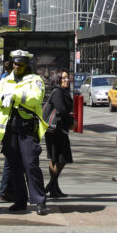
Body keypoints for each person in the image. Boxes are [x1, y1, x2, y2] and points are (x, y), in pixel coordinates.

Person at [0, 49, 48, 215]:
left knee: (30, 164)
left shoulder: (35, 80)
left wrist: (13, 95)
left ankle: (39, 201)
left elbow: (35, 98)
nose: (17, 67)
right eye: (15, 63)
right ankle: (20, 200)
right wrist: (2, 99)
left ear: (26, 64)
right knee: (14, 166)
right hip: (10, 127)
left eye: (20, 64)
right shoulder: (5, 80)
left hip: (27, 126)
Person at [43, 70, 73, 198]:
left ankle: (53, 186)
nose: (67, 80)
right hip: (55, 131)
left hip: (59, 130)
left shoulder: (62, 92)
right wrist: (72, 121)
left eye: (67, 77)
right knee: (57, 159)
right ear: (58, 79)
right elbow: (61, 109)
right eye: (64, 78)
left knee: (60, 159)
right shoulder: (58, 92)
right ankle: (52, 186)